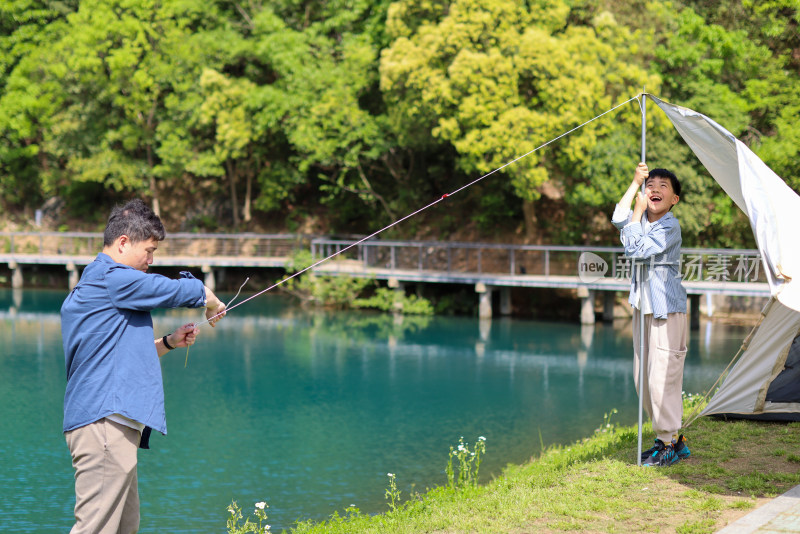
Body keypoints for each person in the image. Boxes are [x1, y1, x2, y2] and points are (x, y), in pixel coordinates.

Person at [61, 199, 227, 533]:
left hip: (113, 425)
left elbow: (117, 355)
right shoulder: (112, 277)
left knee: (124, 527)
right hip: (104, 423)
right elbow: (176, 290)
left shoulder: (103, 284)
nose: (151, 261)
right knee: (95, 528)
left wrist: (169, 342)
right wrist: (211, 300)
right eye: (149, 251)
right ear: (123, 243)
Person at [612, 162, 690, 467]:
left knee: (663, 379)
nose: (654, 189)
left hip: (666, 310)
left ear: (674, 200)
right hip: (642, 308)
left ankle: (667, 443)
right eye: (650, 185)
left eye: (663, 186)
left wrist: (637, 213)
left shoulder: (670, 226)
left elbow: (635, 250)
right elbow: (619, 217)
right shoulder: (640, 217)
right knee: (642, 379)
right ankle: (673, 440)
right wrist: (634, 184)